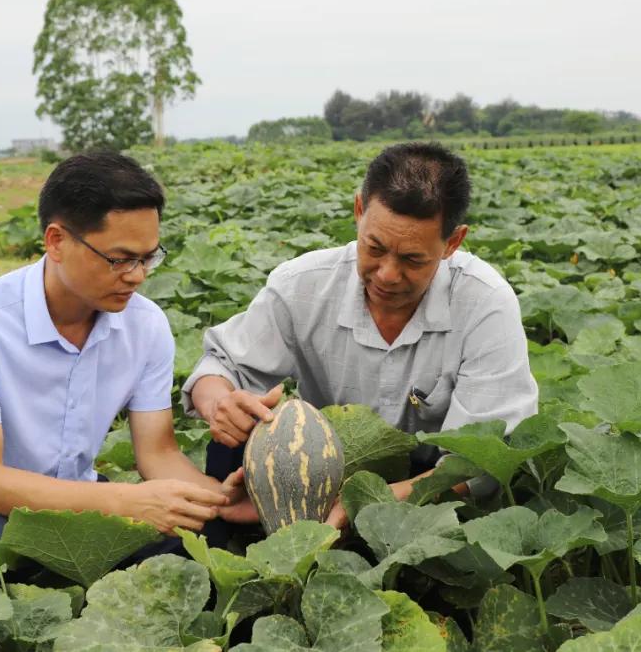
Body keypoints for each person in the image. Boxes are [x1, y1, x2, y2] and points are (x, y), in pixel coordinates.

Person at [0, 153, 250, 572]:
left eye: (149, 258)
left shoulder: (146, 325)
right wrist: (125, 502)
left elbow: (157, 454)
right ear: (56, 241)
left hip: (83, 505)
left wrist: (219, 500)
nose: (138, 276)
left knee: (203, 541)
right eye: (120, 259)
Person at [182, 141, 538, 531]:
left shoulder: (485, 303)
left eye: (412, 259)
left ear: (452, 243)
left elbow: (482, 461)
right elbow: (221, 364)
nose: (386, 273)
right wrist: (220, 403)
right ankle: (235, 542)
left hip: (428, 488)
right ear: (359, 211)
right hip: (313, 469)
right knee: (227, 446)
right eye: (375, 247)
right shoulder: (302, 284)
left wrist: (364, 504)